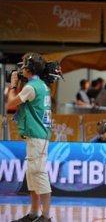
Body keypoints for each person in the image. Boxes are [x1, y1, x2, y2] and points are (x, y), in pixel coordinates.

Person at [7, 53, 53, 222]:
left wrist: (12, 86)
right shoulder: (40, 84)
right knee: (32, 174)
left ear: (29, 68)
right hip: (37, 135)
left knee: (39, 174)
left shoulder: (31, 87)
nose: (21, 68)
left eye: (24, 65)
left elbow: (10, 103)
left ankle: (46, 216)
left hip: (38, 135)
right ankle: (34, 213)